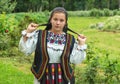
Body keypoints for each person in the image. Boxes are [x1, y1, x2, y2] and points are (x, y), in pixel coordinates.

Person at [19, 7, 87, 84]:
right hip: (43, 77)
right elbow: (26, 50)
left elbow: (76, 60)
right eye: (55, 19)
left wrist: (81, 44)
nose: (58, 23)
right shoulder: (40, 35)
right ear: (50, 20)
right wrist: (28, 32)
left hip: (64, 78)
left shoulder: (70, 39)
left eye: (61, 20)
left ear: (65, 22)